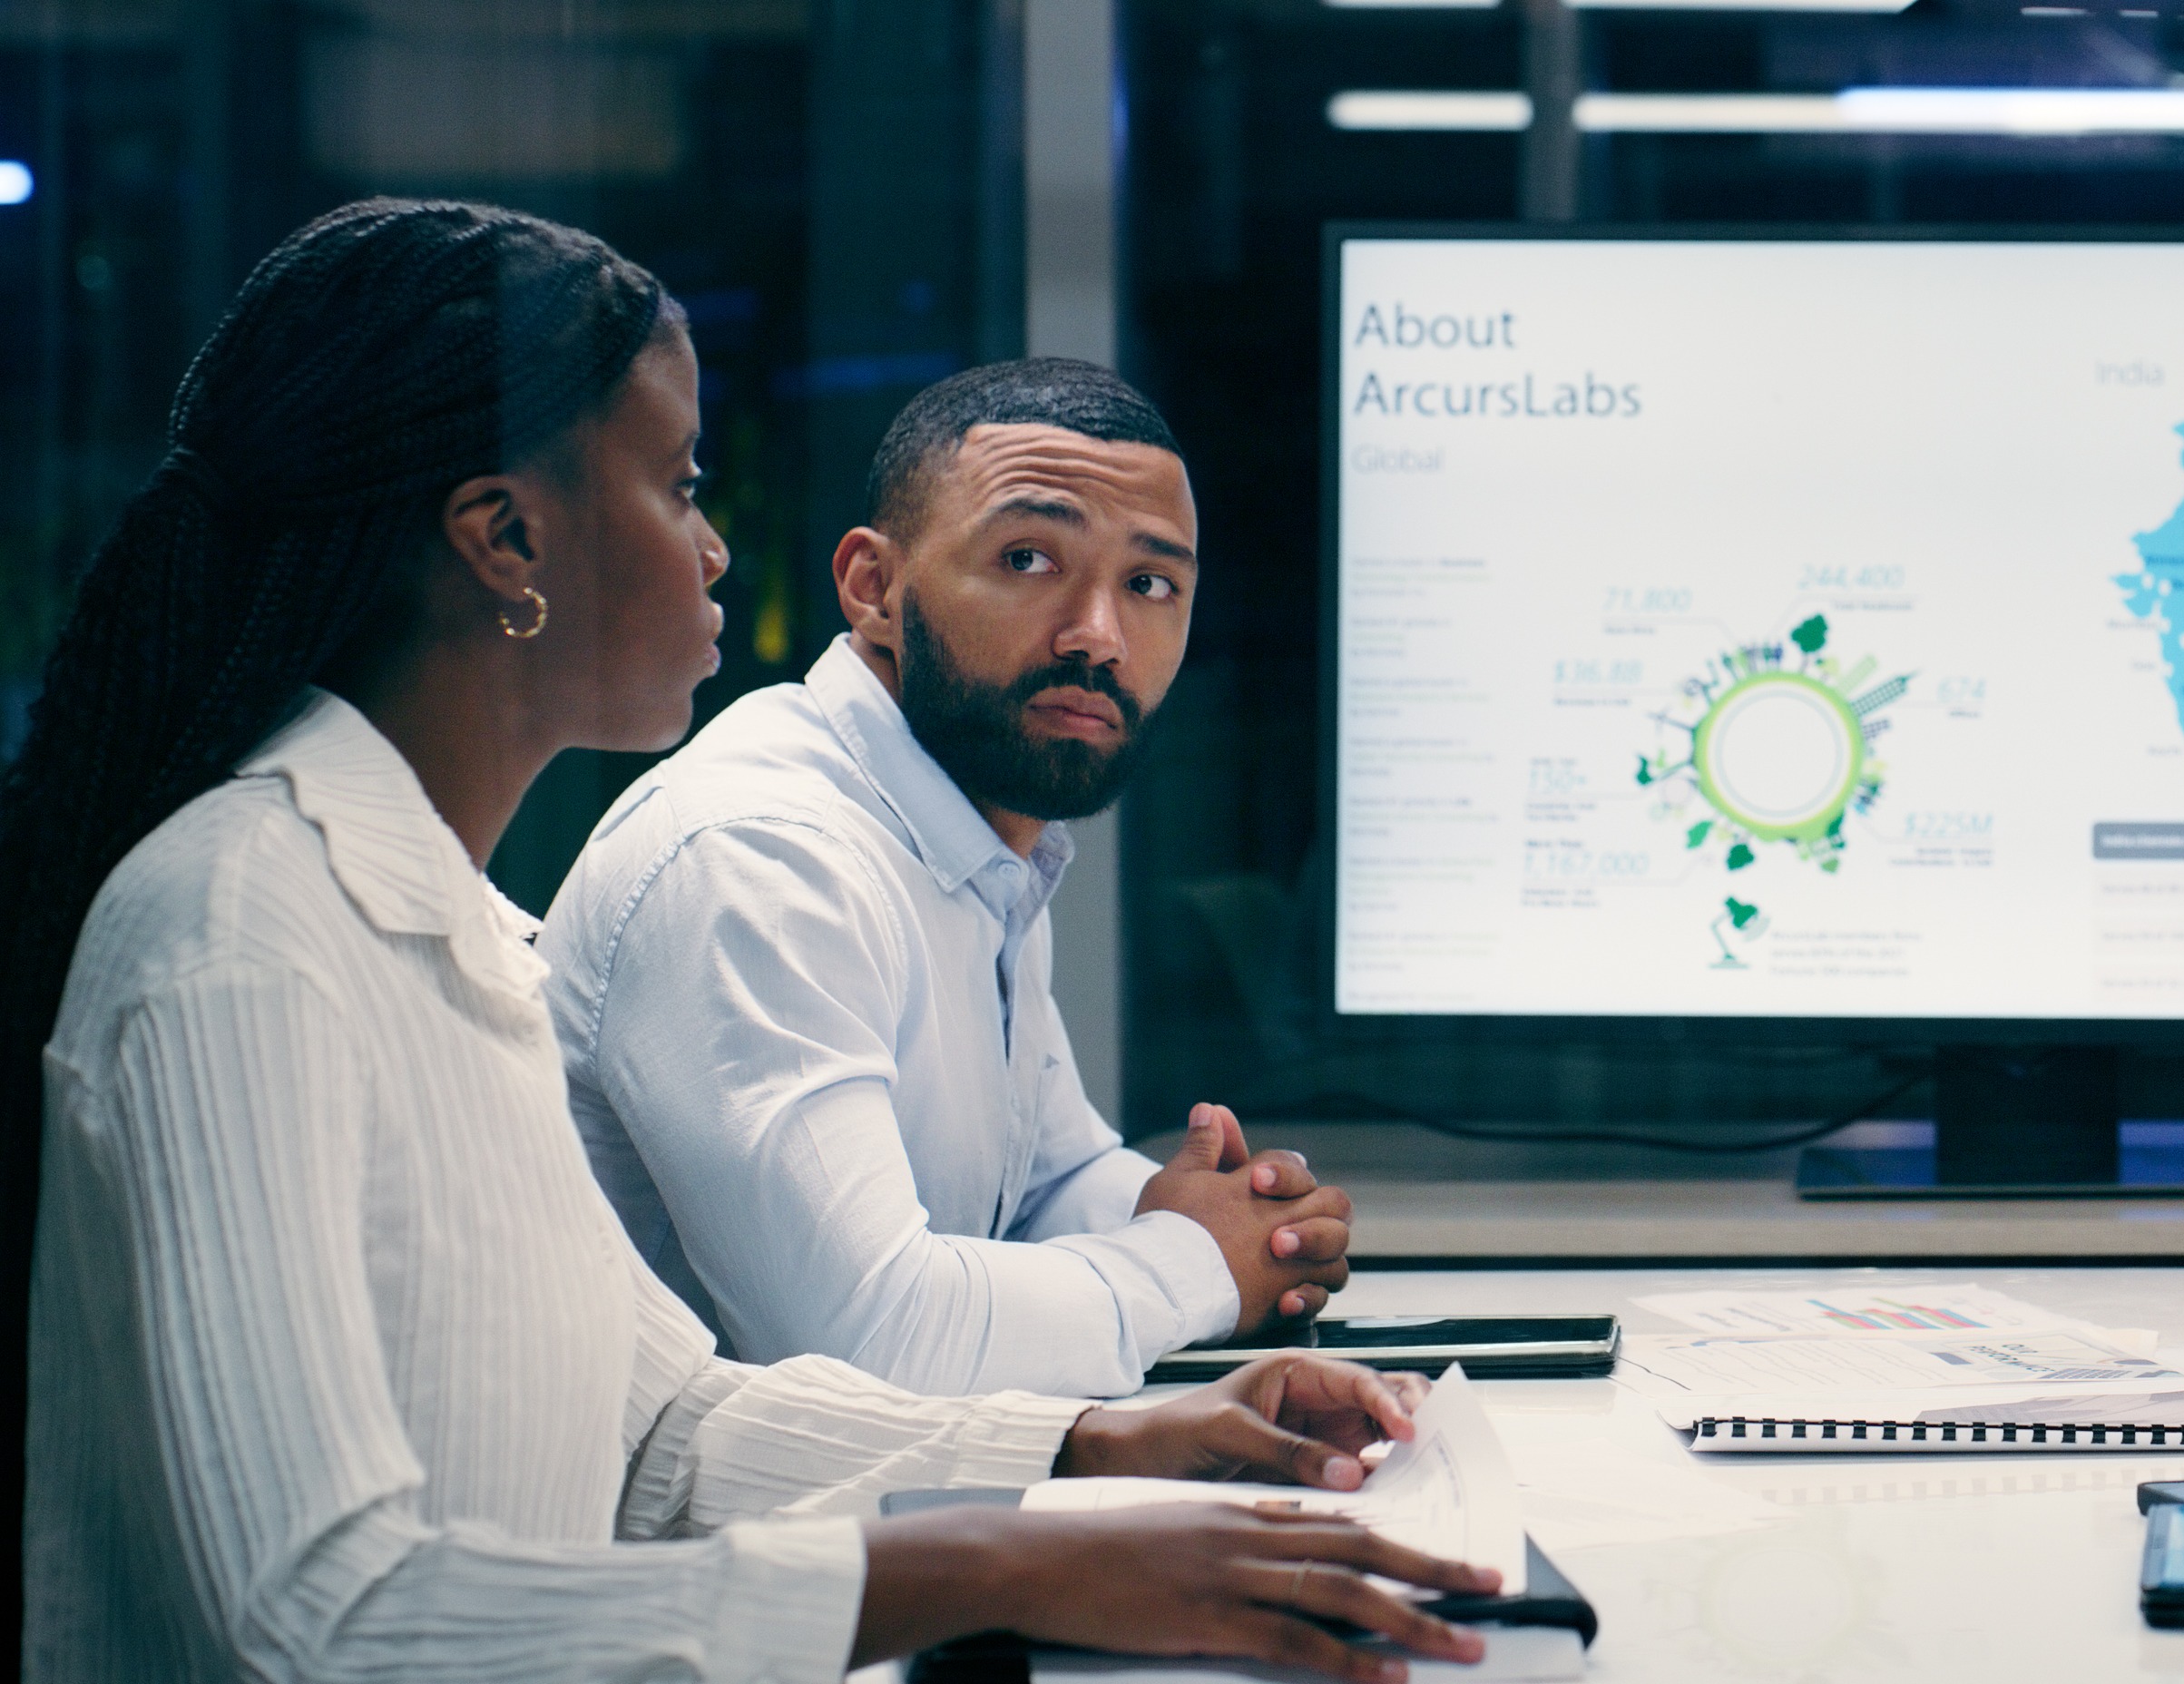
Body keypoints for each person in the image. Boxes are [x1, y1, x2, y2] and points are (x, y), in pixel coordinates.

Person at [5, 198, 1494, 1680]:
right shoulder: (245, 937)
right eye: (679, 484)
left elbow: (664, 1426)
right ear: (508, 541)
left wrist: (1099, 1443)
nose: (716, 551)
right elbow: (327, 1615)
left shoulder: (459, 930)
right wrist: (1000, 1556)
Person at [541, 359, 1341, 1399]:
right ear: (874, 587)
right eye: (1026, 558)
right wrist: (1192, 1262)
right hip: (674, 1545)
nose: (1097, 634)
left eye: (1150, 584)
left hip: (880, 1521)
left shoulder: (979, 831)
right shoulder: (759, 856)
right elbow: (867, 1340)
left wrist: (1236, 1222)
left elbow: (1044, 1182)